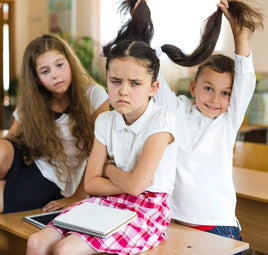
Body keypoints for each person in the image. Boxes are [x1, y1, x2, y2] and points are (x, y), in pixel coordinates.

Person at [101, 0, 264, 244]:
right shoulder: (175, 109)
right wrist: (141, 19)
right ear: (193, 87)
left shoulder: (228, 121)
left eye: (226, 93)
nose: (215, 99)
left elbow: (246, 77)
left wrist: (239, 33)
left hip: (217, 228)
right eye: (208, 88)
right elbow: (151, 70)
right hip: (172, 225)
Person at [26, 39, 178, 254]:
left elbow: (136, 188)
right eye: (115, 81)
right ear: (106, 80)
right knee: (36, 242)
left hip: (148, 208)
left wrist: (108, 170)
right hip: (107, 200)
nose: (123, 91)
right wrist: (128, 181)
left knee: (66, 249)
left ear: (153, 87)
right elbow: (91, 184)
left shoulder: (161, 120)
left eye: (135, 83)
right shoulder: (105, 120)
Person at [0, 34, 109, 213]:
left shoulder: (94, 95)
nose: (55, 75)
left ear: (70, 62)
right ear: (36, 79)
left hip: (53, 178)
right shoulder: (34, 101)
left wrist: (79, 195)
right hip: (27, 159)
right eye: (45, 71)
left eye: (59, 65)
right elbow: (11, 139)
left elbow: (100, 152)